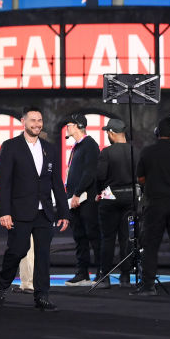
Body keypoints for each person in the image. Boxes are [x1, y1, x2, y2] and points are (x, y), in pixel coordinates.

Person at [0, 106, 69, 311]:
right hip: (19, 210)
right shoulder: (10, 146)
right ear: (23, 122)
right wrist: (4, 212)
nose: (37, 124)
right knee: (18, 250)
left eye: (40, 120)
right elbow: (4, 182)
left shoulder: (49, 148)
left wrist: (63, 212)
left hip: (44, 211)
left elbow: (57, 182)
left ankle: (42, 295)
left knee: (43, 255)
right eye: (33, 120)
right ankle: (2, 284)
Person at [132, 118, 170, 298]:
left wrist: (155, 181)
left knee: (150, 245)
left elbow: (140, 179)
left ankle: (149, 285)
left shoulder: (147, 152)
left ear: (157, 132)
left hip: (155, 204)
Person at [94, 118, 134, 288]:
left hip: (110, 198)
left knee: (108, 238)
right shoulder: (136, 151)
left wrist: (98, 192)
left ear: (111, 133)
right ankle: (125, 275)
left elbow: (100, 176)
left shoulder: (107, 152)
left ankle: (105, 277)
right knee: (127, 238)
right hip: (131, 198)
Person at [63, 114, 101, 286]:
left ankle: (102, 271)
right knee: (79, 237)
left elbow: (89, 173)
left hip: (85, 199)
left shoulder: (90, 145)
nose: (67, 127)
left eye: (69, 124)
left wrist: (78, 193)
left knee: (93, 235)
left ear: (78, 125)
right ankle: (82, 272)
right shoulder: (78, 146)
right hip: (75, 199)